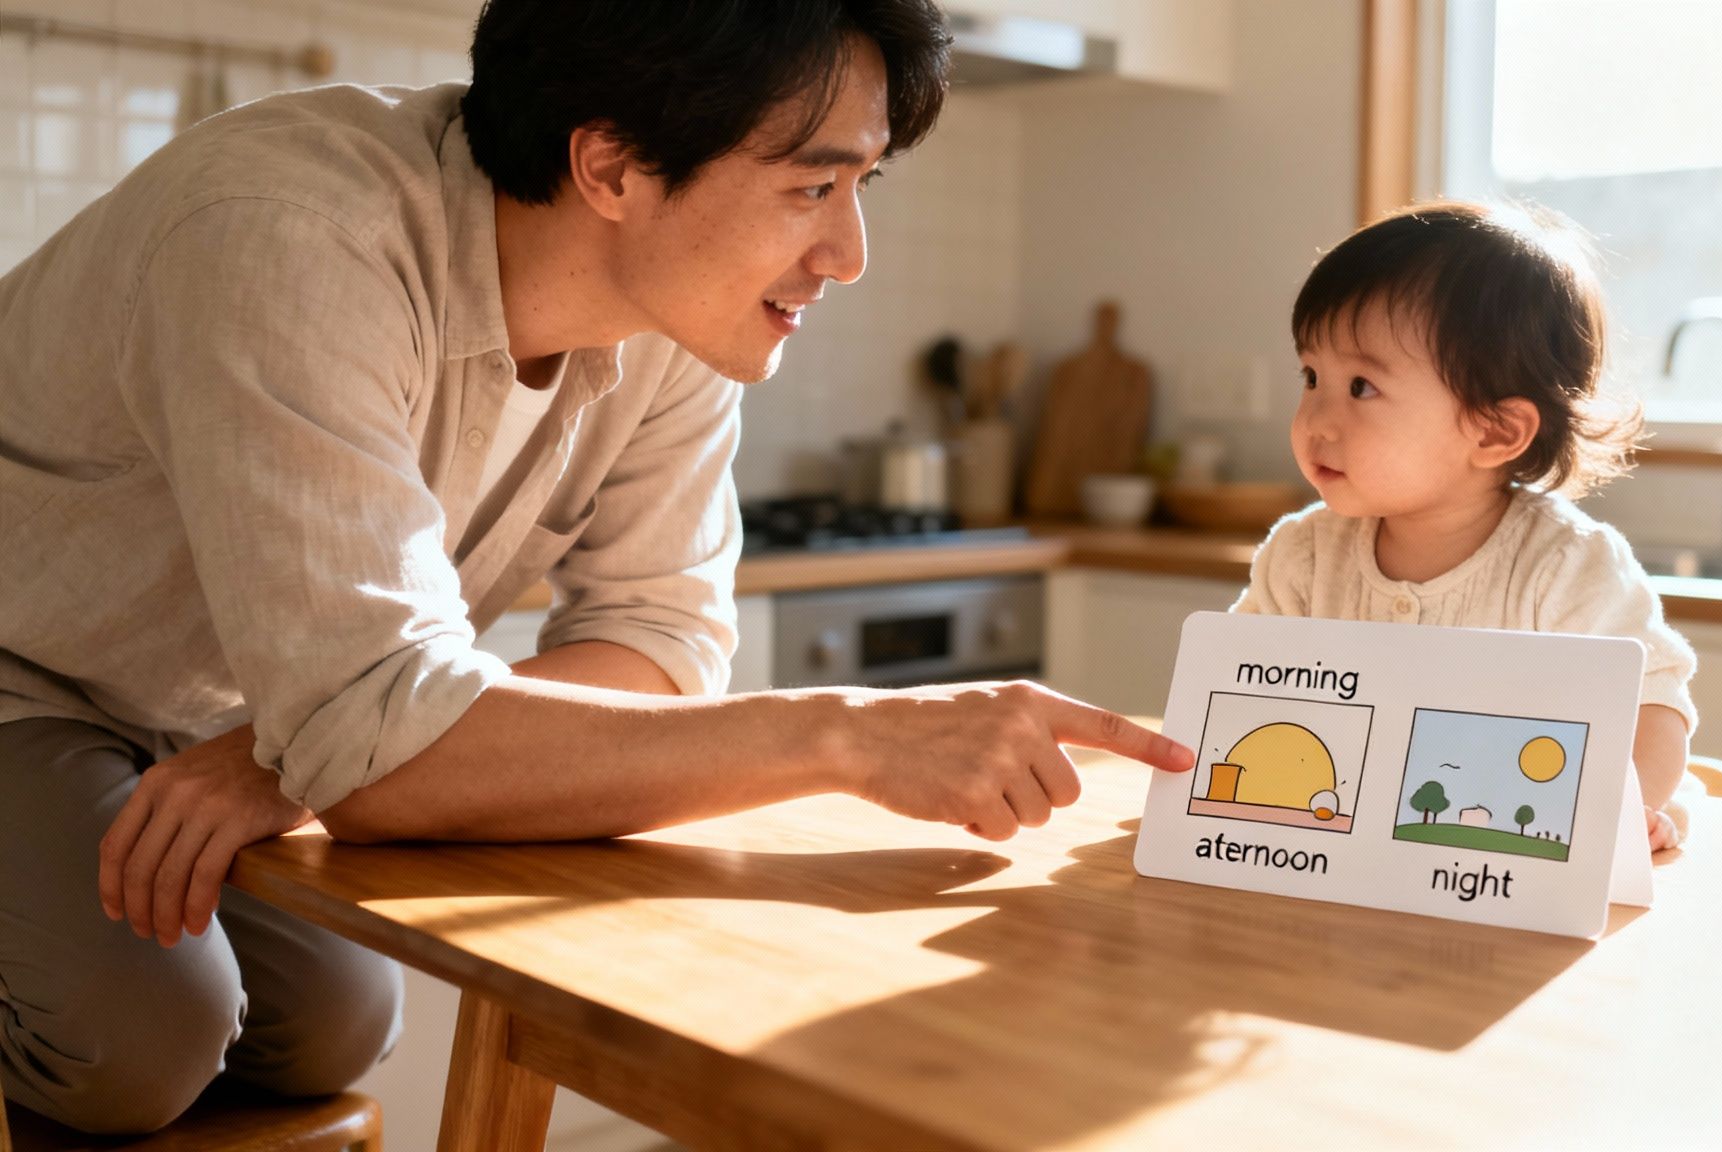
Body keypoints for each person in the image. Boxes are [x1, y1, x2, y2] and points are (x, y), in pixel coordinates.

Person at [0, 0, 1190, 1133]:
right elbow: (377, 742)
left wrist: (328, 751)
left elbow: (662, 644)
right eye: (811, 186)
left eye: (861, 184)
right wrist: (848, 735)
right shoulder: (292, 236)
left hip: (236, 714)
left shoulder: (673, 319)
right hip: (27, 666)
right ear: (612, 168)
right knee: (138, 1037)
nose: (847, 251)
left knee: (333, 1027)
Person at [1233, 200, 1696, 851]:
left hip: (1503, 871)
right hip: (1343, 865)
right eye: (1312, 376)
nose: (1316, 419)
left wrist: (1618, 821)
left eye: (1361, 386)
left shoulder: (1570, 568)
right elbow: (1238, 696)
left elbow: (1653, 709)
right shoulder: (1302, 557)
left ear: (1495, 430)